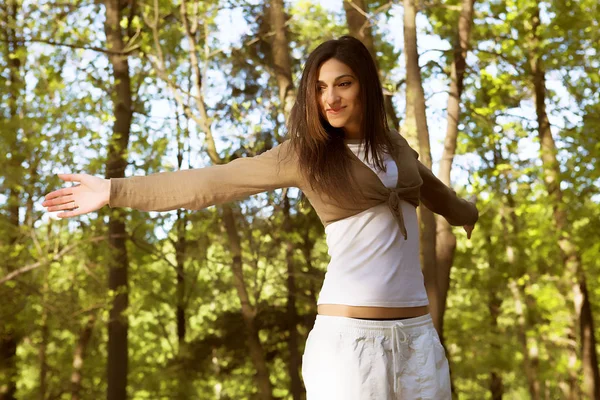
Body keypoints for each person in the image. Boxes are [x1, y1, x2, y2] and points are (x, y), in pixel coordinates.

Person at [42, 36, 477, 399]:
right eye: (320, 88)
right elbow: (210, 183)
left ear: (364, 84)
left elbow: (433, 190)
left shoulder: (396, 146)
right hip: (351, 348)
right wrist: (115, 190)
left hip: (419, 340)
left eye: (342, 83)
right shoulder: (304, 157)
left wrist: (466, 213)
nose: (330, 98)